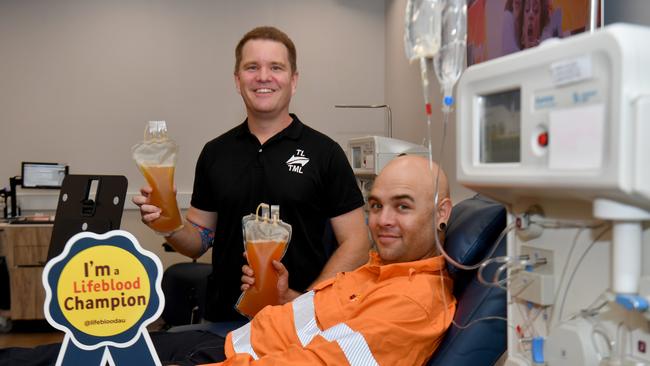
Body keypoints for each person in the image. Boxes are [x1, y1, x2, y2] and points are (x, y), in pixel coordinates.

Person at [0, 155, 456, 366]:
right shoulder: (378, 270)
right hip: (237, 335)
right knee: (63, 354)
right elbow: (198, 240)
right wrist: (285, 298)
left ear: (441, 212)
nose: (382, 220)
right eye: (375, 205)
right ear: (237, 78)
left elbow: (316, 362)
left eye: (402, 205)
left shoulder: (412, 303)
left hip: (232, 354)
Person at [133, 26, 370, 323]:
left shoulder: (325, 153)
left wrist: (306, 304)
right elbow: (199, 239)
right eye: (252, 67)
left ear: (293, 81)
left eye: (276, 67)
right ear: (237, 79)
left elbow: (358, 243)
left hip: (300, 325)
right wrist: (167, 224)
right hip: (222, 324)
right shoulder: (215, 153)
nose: (263, 77)